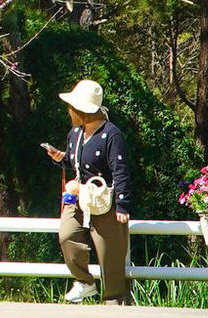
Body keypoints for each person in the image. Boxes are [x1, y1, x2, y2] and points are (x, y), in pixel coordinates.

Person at [46, 78, 132, 305]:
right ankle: (84, 282)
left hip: (104, 202)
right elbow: (76, 164)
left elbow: (120, 170)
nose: (69, 111)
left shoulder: (111, 134)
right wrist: (60, 158)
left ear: (83, 110)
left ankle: (114, 300)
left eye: (72, 107)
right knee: (67, 234)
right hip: (79, 200)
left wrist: (122, 205)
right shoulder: (75, 133)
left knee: (110, 254)